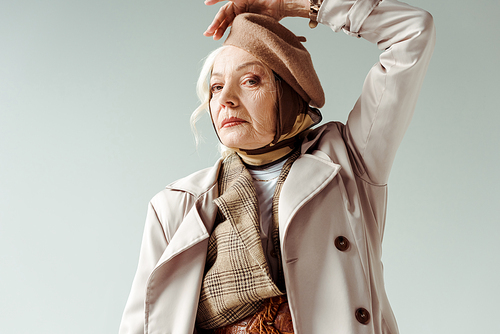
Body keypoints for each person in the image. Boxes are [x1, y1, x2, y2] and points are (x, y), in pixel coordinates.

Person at [119, 0, 435, 333]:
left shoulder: (350, 162)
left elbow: (412, 32)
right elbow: (142, 324)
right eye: (215, 87)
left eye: (250, 80)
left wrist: (297, 5)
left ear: (289, 95)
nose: (225, 98)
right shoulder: (175, 205)